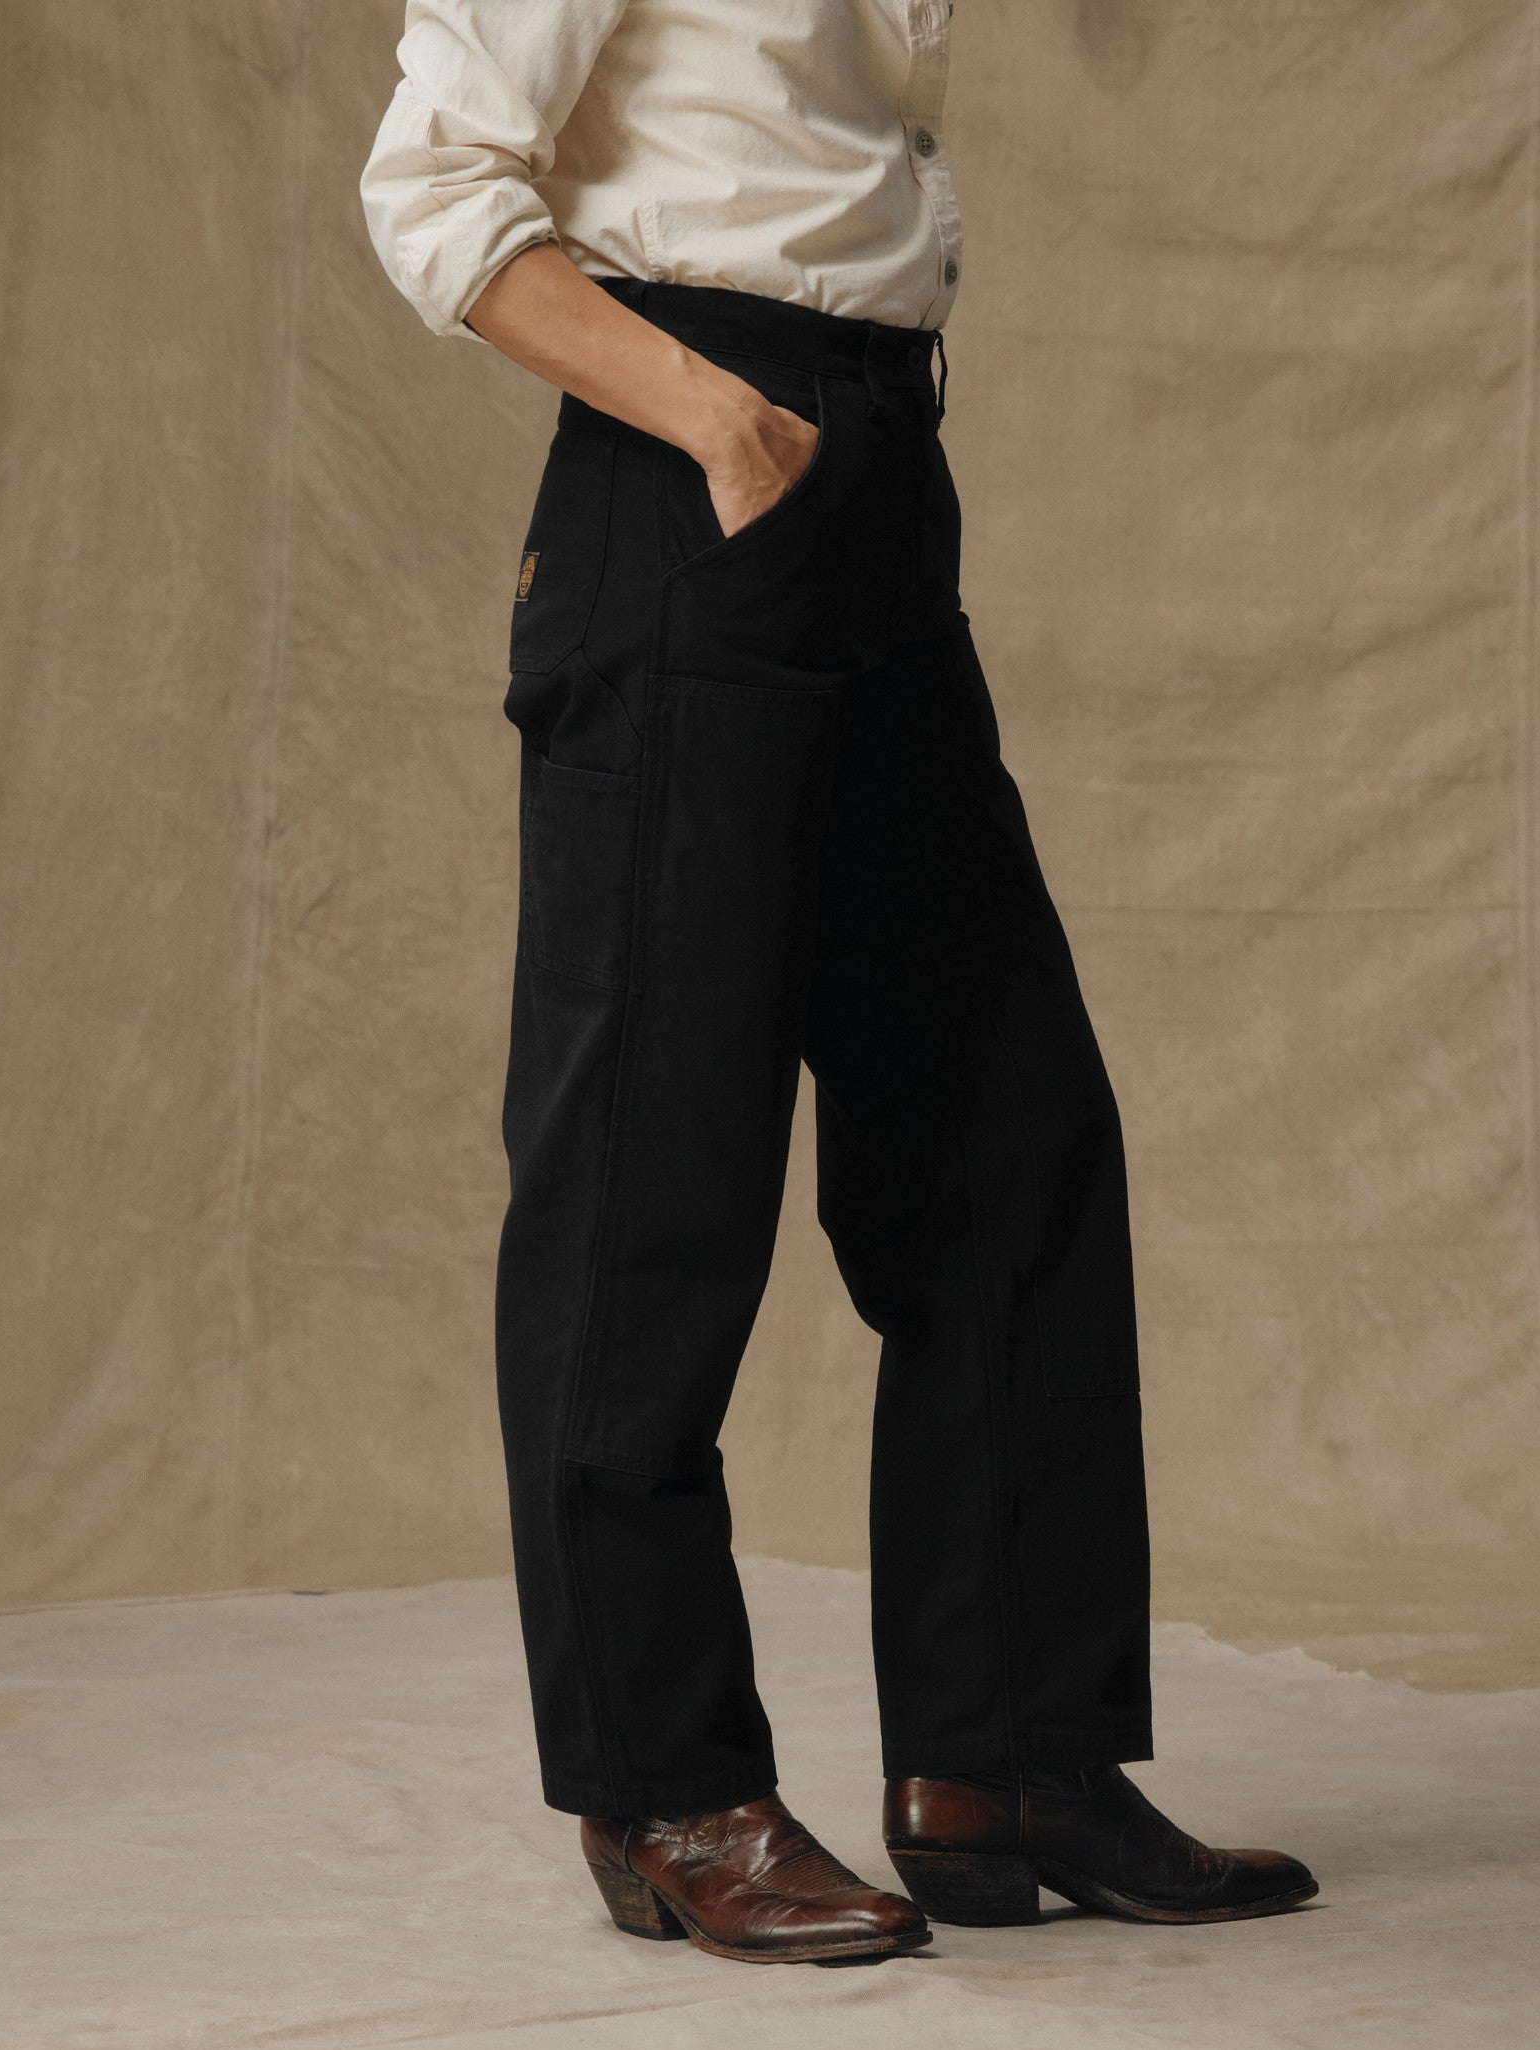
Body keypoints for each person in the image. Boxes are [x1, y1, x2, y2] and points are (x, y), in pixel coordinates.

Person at [361, 0, 1317, 1967]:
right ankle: (663, 1785)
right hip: (693, 470)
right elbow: (434, 184)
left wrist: (815, 449)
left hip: (876, 473)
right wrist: (718, 419)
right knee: (654, 1177)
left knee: (1010, 1141)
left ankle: (1010, 1757)